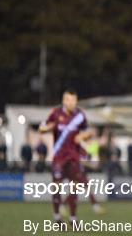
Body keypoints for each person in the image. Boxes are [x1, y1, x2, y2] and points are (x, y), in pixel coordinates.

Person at [39, 89, 104, 227]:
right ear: (64, 100)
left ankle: (73, 219)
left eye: (73, 100)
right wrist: (45, 128)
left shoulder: (80, 115)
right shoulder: (56, 113)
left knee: (75, 186)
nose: (71, 103)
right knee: (56, 186)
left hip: (74, 157)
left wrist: (83, 136)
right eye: (68, 100)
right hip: (59, 157)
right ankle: (57, 217)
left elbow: (89, 131)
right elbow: (43, 127)